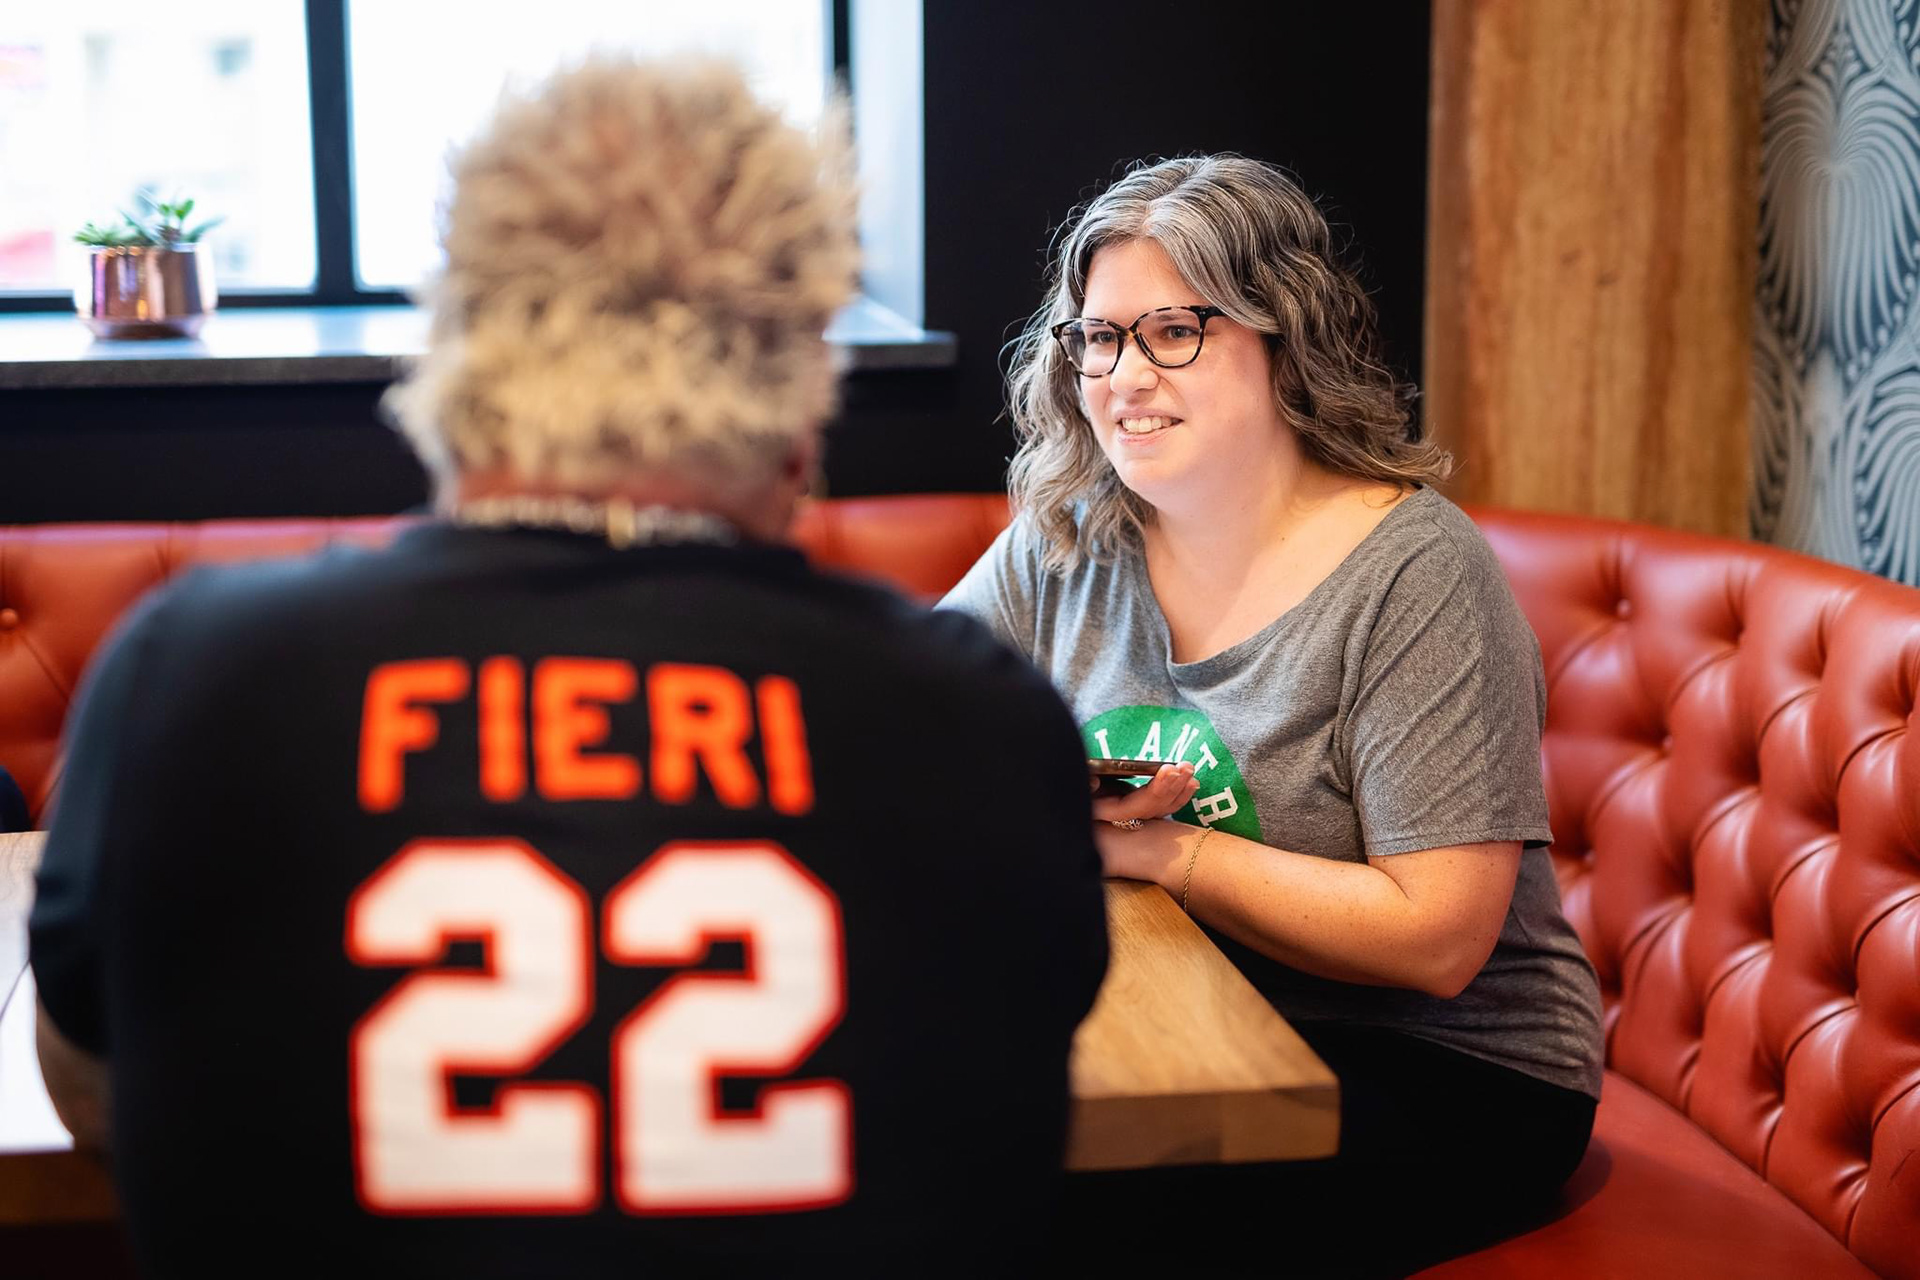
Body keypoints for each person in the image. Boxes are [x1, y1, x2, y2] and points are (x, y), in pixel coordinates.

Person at [30, 58, 1107, 1279]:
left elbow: (94, 1080)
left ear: (454, 354)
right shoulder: (982, 717)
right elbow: (1011, 1091)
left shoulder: (190, 676)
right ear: (803, 399)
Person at [941, 155, 1604, 1275]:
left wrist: (1162, 852)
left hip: (1453, 1068)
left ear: (1284, 335)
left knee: (1040, 1209)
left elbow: (1437, 937)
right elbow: (916, 721)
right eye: (1098, 338)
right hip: (1189, 1017)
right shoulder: (1067, 538)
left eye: (1171, 332)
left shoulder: (1416, 572)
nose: (1122, 376)